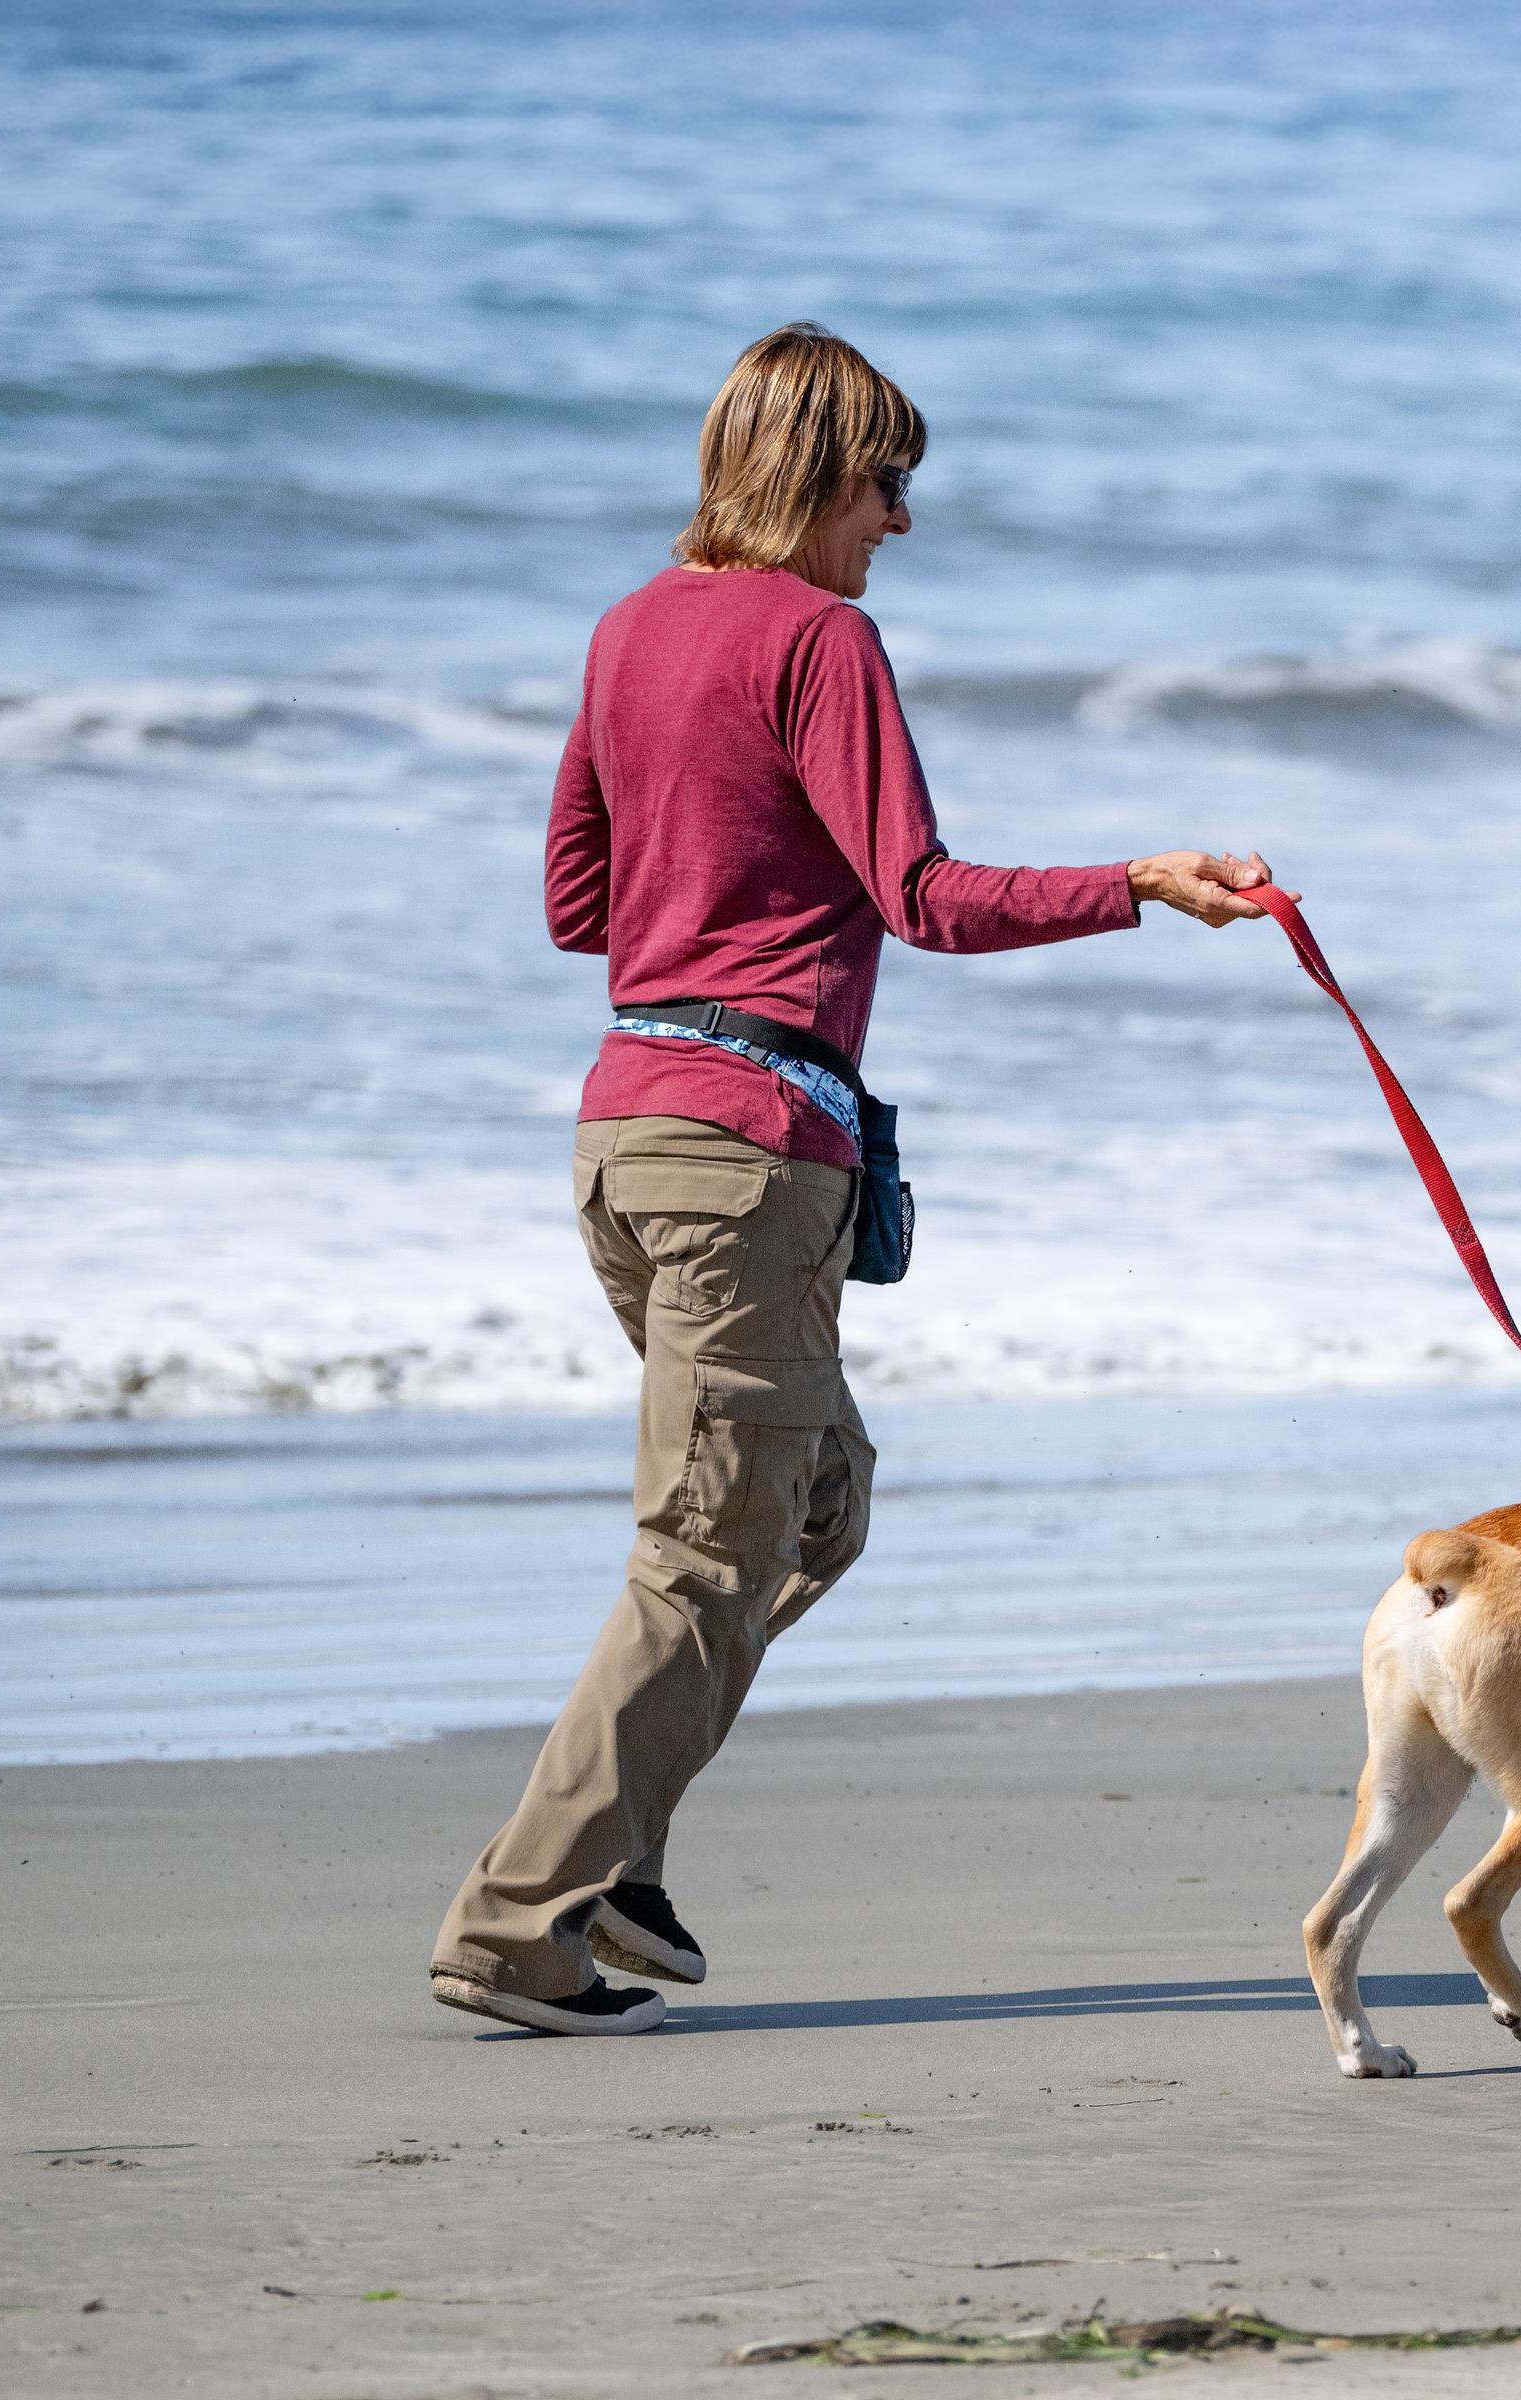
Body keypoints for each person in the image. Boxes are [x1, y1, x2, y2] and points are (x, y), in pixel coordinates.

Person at [428, 322, 1270, 2034]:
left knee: (814, 1507)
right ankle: (521, 1921)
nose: (899, 521)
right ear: (815, 475)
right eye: (888, 483)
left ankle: (622, 1852)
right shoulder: (823, 640)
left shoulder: (625, 632)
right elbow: (927, 894)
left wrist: (723, 872)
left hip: (624, 1137)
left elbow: (579, 908)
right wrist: (1143, 880)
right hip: (749, 1158)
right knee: (704, 1552)